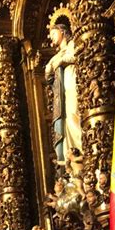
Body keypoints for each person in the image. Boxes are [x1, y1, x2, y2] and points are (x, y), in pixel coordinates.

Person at [45, 20, 83, 167]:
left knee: (74, 113)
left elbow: (75, 56)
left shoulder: (72, 45)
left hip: (72, 83)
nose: (51, 37)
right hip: (61, 94)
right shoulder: (56, 55)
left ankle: (82, 150)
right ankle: (71, 156)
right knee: (65, 118)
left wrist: (59, 61)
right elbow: (48, 76)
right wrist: (50, 67)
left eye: (53, 33)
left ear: (62, 32)